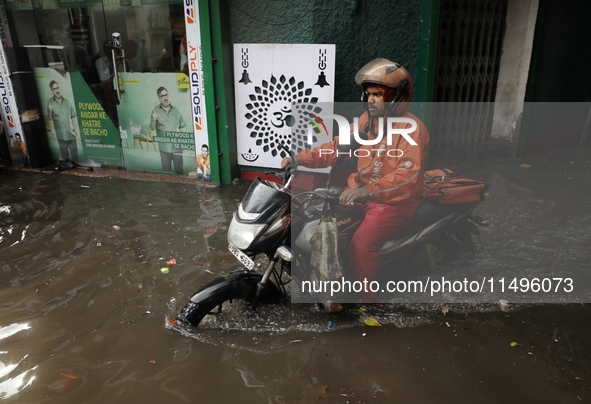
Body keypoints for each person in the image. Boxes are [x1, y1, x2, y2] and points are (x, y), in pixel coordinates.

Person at [281, 58, 430, 308]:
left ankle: (366, 300)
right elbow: (337, 147)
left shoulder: (413, 128)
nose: (370, 100)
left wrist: (368, 190)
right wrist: (299, 158)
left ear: (396, 97)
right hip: (358, 194)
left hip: (392, 203)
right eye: (368, 94)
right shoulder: (367, 122)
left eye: (378, 95)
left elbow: (408, 177)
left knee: (361, 244)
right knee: (317, 224)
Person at [150, 86, 186, 174]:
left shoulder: (176, 111)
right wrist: (154, 119)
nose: (165, 97)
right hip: (164, 150)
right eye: (162, 96)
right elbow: (152, 128)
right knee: (167, 174)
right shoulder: (155, 110)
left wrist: (183, 144)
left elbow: (182, 127)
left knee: (180, 173)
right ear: (159, 98)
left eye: (166, 95)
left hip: (177, 148)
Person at [47, 80, 79, 162]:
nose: (56, 90)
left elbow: (73, 116)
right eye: (54, 89)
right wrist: (50, 111)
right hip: (61, 136)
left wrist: (75, 130)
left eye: (57, 88)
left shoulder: (67, 102)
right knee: (65, 159)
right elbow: (49, 118)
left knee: (75, 157)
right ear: (51, 90)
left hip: (70, 134)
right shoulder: (50, 102)